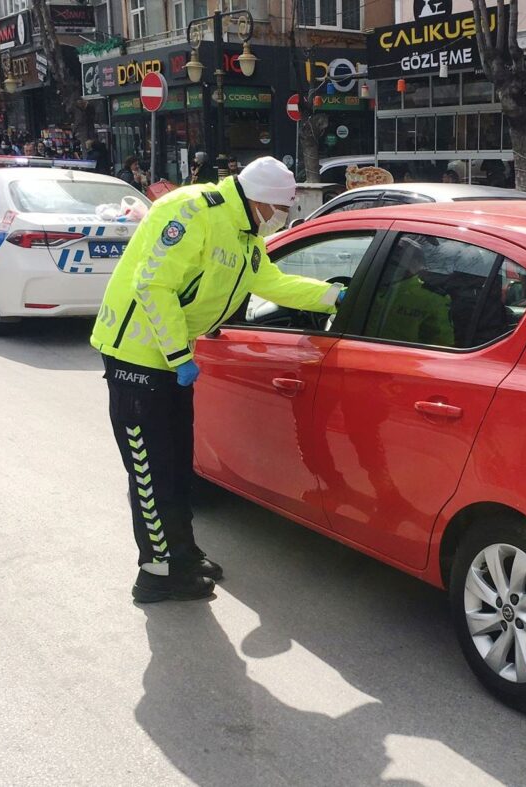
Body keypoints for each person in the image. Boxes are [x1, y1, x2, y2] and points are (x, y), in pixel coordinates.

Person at [90, 156, 344, 603]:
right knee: (151, 473)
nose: (282, 217)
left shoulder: (246, 235)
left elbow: (273, 283)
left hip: (172, 360)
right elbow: (153, 285)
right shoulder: (191, 210)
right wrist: (177, 354)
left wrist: (333, 296)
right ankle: (156, 574)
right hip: (137, 357)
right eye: (282, 208)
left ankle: (182, 555)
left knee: (177, 467)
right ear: (261, 200)